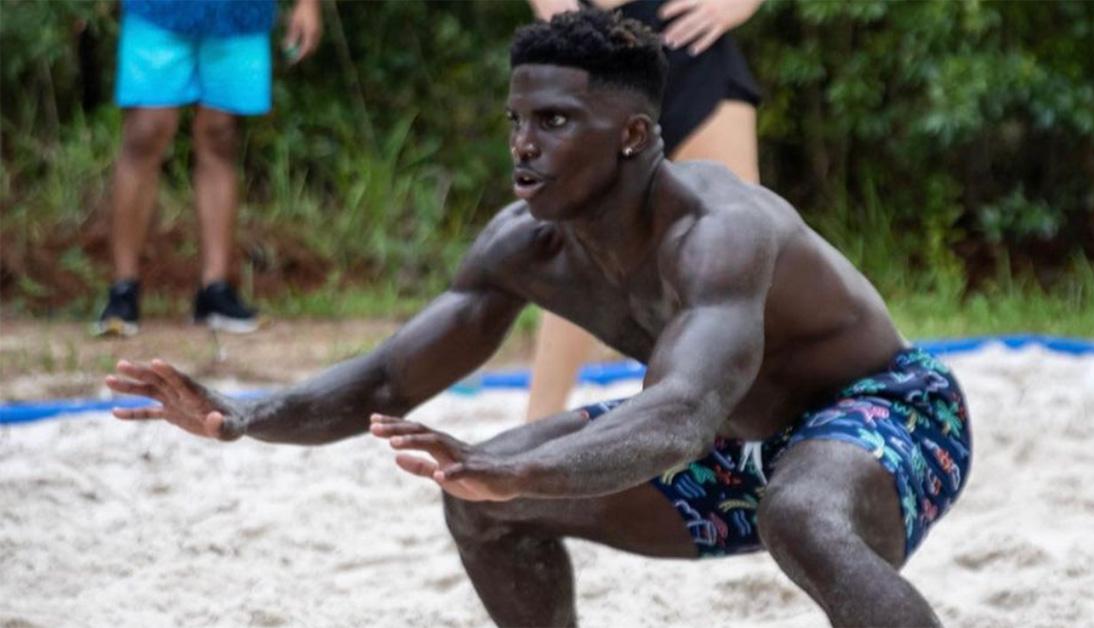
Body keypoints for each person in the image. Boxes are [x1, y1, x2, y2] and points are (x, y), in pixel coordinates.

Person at [105, 11, 971, 627]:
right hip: (727, 444)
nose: (524, 144)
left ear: (634, 135)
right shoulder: (522, 245)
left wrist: (525, 472)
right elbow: (385, 379)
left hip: (888, 414)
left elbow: (680, 413)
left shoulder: (722, 231)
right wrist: (241, 416)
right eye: (517, 120)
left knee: (800, 511)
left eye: (555, 122)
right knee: (482, 497)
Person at [523, 0, 765, 420]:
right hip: (590, 47)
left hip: (686, 38)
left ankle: (763, 425)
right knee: (575, 249)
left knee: (743, 248)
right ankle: (535, 426)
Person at [93, 0, 322, 337]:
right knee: (146, 130)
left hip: (240, 14)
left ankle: (215, 289)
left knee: (221, 133)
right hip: (156, 10)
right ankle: (123, 288)